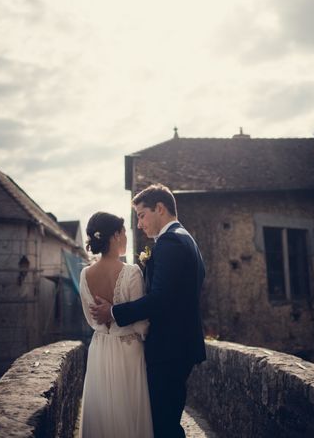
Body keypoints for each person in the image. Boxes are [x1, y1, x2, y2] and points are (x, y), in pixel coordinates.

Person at [90, 184, 206, 438]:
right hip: (180, 346)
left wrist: (113, 312)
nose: (139, 224)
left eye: (142, 215)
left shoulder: (170, 242)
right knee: (167, 421)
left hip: (169, 348)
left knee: (164, 425)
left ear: (160, 209)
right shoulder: (186, 238)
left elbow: (160, 299)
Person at [78, 212, 153, 438]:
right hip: (128, 350)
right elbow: (141, 325)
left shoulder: (84, 274)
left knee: (103, 414)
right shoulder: (131, 272)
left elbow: (91, 319)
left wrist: (109, 316)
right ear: (116, 236)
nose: (127, 238)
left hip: (100, 348)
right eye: (125, 233)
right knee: (129, 412)